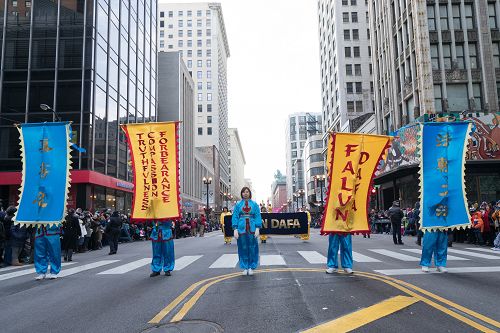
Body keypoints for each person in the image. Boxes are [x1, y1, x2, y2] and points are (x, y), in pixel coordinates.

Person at [232, 187, 262, 276]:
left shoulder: (254, 204)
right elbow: (235, 216)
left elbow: (257, 216)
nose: (245, 193)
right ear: (241, 194)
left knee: (253, 247)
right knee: (243, 247)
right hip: (241, 228)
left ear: (249, 193)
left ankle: (251, 267)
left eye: (247, 192)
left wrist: (257, 228)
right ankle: (245, 267)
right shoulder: (238, 205)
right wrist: (235, 229)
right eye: (244, 192)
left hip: (252, 228)